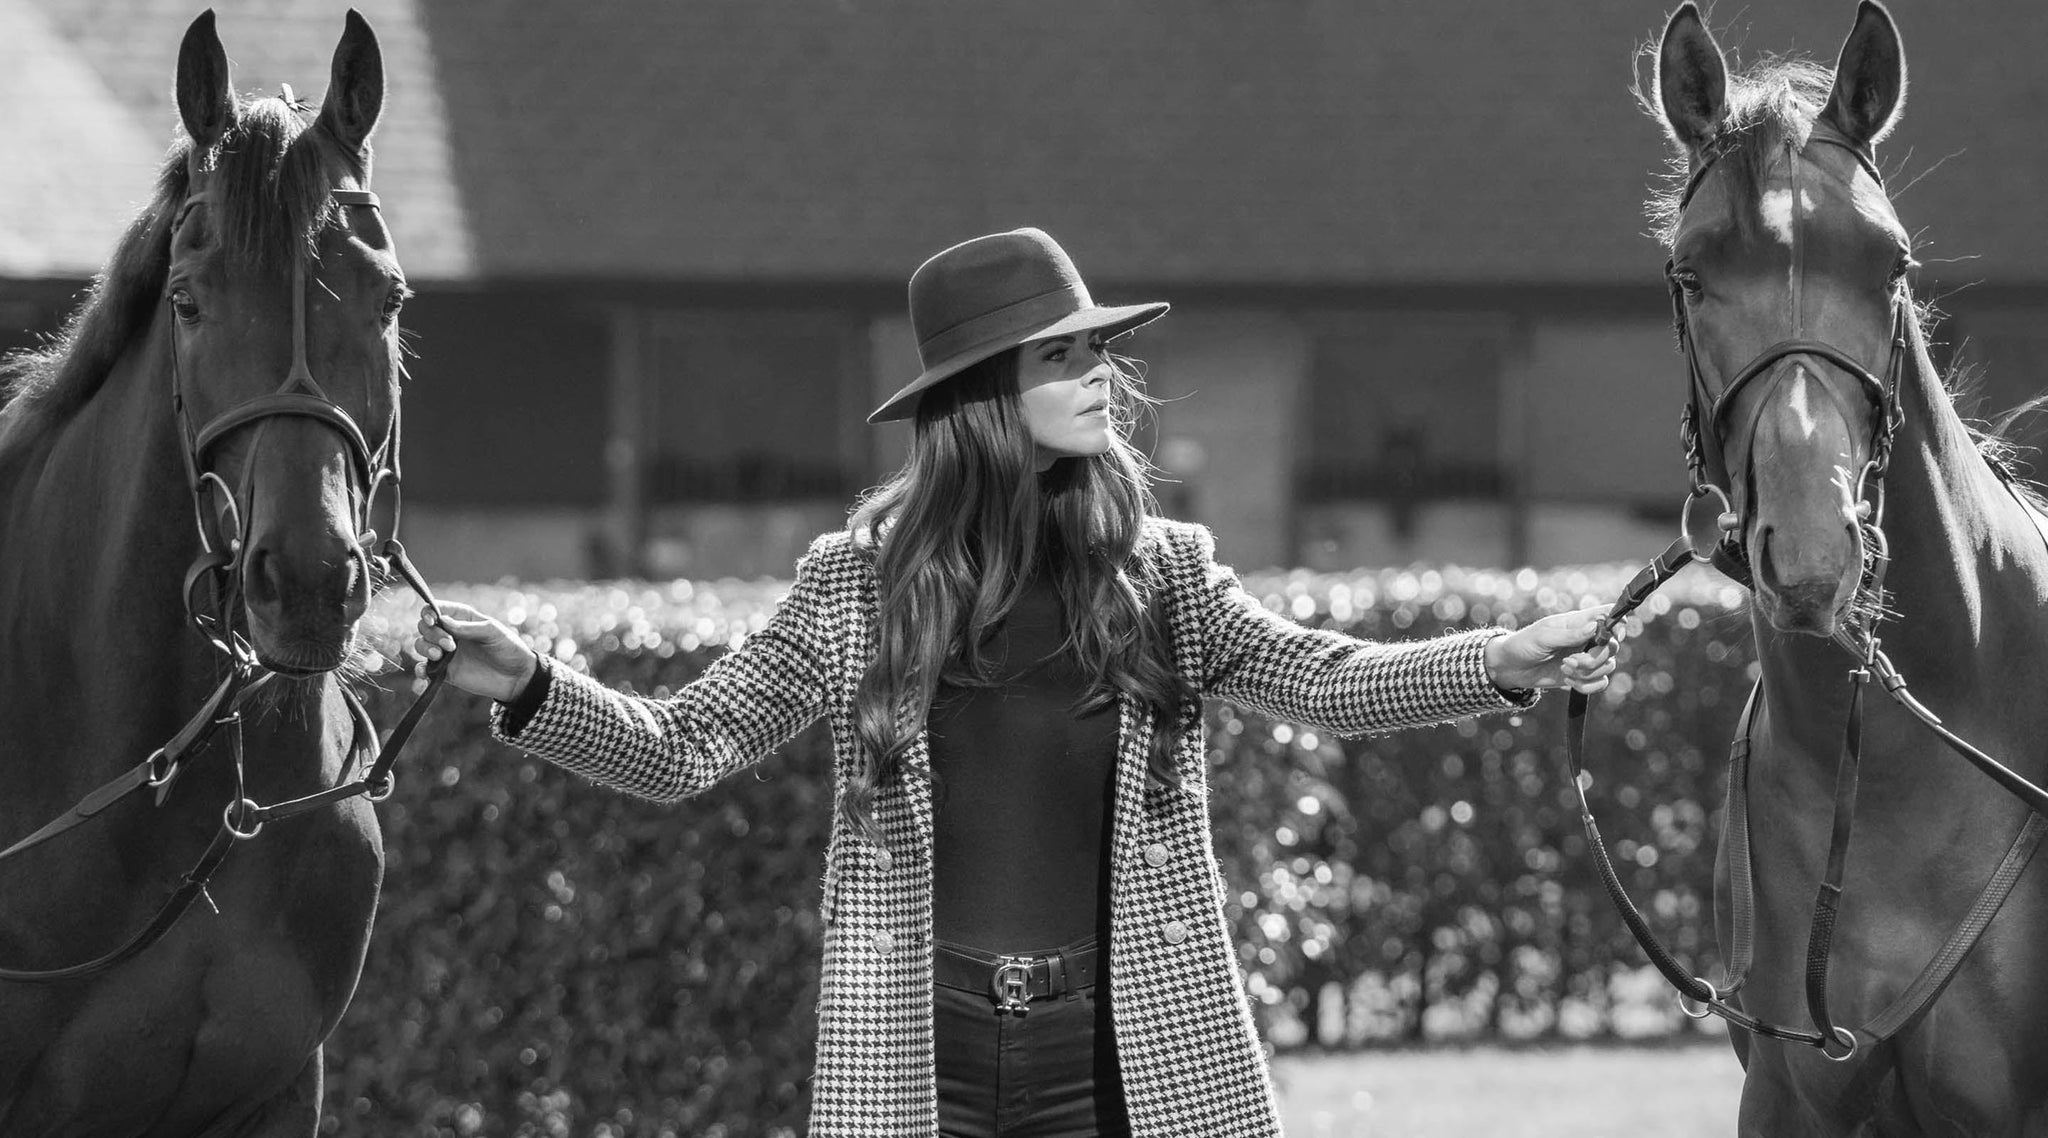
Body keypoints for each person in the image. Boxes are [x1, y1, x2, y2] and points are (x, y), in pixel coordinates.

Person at [412, 228, 1619, 1138]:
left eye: (1097, 347)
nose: (1098, 372)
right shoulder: (856, 587)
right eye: (1060, 354)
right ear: (987, 393)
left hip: (1123, 1043)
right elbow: (684, 745)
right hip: (916, 1051)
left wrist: (1499, 658)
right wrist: (529, 683)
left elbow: (1330, 678)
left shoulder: (1162, 573)